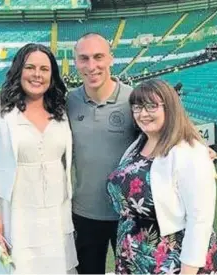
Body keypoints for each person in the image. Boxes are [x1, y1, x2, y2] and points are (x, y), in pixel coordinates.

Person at [0, 43, 78, 274]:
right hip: (12, 215)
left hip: (55, 217)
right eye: (30, 67)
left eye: (44, 69)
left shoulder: (61, 109)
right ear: (18, 70)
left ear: (52, 75)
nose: (37, 74)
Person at [107, 79, 217, 274]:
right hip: (136, 254)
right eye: (137, 107)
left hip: (174, 260)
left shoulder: (190, 151)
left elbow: (200, 219)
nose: (143, 113)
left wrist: (188, 270)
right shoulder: (138, 144)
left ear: (169, 108)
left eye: (152, 106)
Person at [66, 33, 137, 274]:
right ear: (76, 62)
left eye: (98, 57)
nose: (91, 66)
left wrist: (199, 148)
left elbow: (169, 131)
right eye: (83, 58)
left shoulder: (134, 99)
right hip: (85, 213)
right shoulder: (68, 102)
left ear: (111, 59)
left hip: (129, 214)